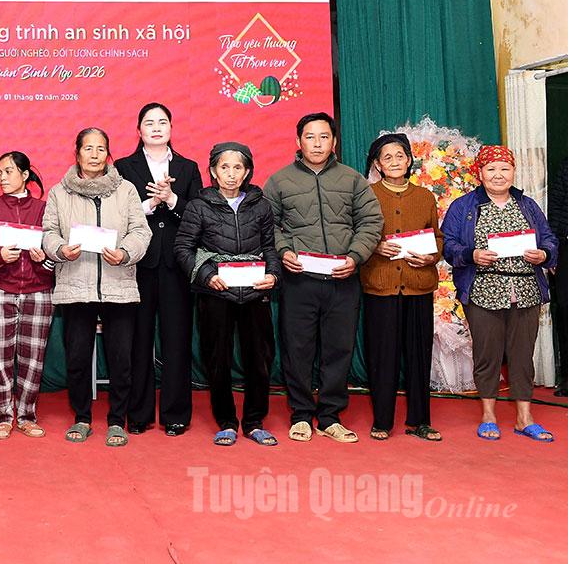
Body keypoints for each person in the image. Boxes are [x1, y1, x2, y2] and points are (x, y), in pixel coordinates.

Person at [263, 113, 382, 443]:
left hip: (342, 279)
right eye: (310, 137)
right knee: (297, 349)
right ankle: (301, 414)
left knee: (338, 350)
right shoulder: (279, 181)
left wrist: (355, 256)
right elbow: (267, 224)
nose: (317, 144)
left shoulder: (352, 179)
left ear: (334, 142)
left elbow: (371, 222)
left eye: (324, 137)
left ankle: (330, 416)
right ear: (298, 141)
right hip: (299, 280)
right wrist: (284, 251)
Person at [43, 128, 151, 447]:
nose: (94, 154)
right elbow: (48, 232)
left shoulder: (126, 190)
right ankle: (82, 417)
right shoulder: (59, 192)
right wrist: (61, 249)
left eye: (100, 148)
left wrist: (125, 253)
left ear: (108, 154)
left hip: (119, 286)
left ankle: (117, 420)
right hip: (76, 285)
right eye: (88, 148)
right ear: (77, 153)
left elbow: (141, 231)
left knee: (121, 359)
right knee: (77, 358)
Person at [443, 145, 558, 442]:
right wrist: (471, 254)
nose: (498, 174)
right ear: (480, 173)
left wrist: (544, 254)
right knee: (487, 355)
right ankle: (488, 415)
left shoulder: (527, 205)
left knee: (523, 356)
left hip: (525, 291)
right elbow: (448, 245)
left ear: (513, 172)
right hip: (483, 291)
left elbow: (549, 239)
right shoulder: (464, 206)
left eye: (505, 168)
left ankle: (524, 418)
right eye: (491, 169)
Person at [174, 142, 281, 447]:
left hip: (255, 292)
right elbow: (183, 248)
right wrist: (208, 276)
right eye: (224, 167)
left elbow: (270, 247)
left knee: (259, 359)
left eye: (237, 167)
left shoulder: (261, 205)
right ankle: (227, 423)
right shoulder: (199, 206)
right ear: (213, 171)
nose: (231, 174)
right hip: (216, 293)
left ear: (247, 172)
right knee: (217, 359)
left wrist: (274, 275)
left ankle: (254, 422)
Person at [115, 103, 202, 436]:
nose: (156, 127)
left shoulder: (188, 168)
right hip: (137, 264)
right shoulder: (124, 167)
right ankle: (138, 415)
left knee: (176, 340)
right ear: (138, 130)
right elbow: (118, 214)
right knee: (138, 340)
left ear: (171, 128)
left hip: (176, 265)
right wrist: (151, 203)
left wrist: (172, 199)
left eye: (162, 122)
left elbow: (199, 216)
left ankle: (175, 414)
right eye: (149, 122)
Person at [360, 134, 443, 441]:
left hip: (418, 286)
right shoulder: (367, 195)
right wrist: (375, 246)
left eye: (399, 156)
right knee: (383, 357)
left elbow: (437, 237)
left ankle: (421, 421)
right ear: (378, 165)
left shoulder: (425, 196)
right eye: (387, 157)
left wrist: (431, 256)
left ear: (409, 160)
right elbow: (356, 234)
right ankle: (382, 421)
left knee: (419, 355)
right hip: (380, 286)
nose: (394, 162)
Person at [0, 152, 56, 439]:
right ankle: (3, 417)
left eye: (8, 171)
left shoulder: (45, 209)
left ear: (25, 174)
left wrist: (43, 260)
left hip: (38, 291)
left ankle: (27, 416)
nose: (2, 177)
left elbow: (56, 252)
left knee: (33, 359)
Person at [548, 157, 568, 396]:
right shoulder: (566, 166)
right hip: (566, 246)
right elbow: (556, 208)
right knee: (565, 310)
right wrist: (553, 251)